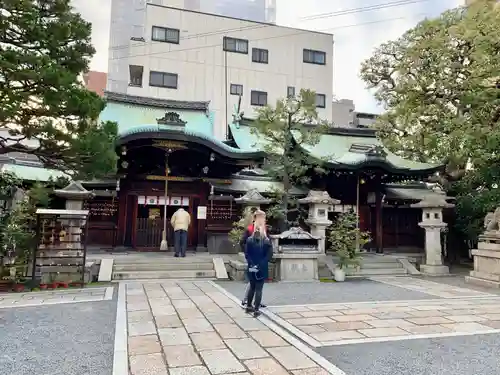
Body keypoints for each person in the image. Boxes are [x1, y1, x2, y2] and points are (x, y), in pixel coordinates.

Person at [244, 211, 272, 317]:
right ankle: (256, 309)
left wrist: (251, 264)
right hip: (261, 266)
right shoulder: (266, 241)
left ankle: (249, 306)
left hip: (251, 265)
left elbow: (247, 254)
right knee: (259, 288)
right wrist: (260, 264)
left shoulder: (249, 240)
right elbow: (269, 255)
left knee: (252, 286)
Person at [240, 209, 267, 308]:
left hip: (261, 260)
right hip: (252, 259)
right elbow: (242, 242)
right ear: (255, 218)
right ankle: (247, 300)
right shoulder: (250, 229)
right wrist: (247, 254)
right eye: (261, 217)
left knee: (258, 281)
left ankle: (256, 301)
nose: (263, 219)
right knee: (253, 281)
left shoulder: (264, 229)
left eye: (263, 217)